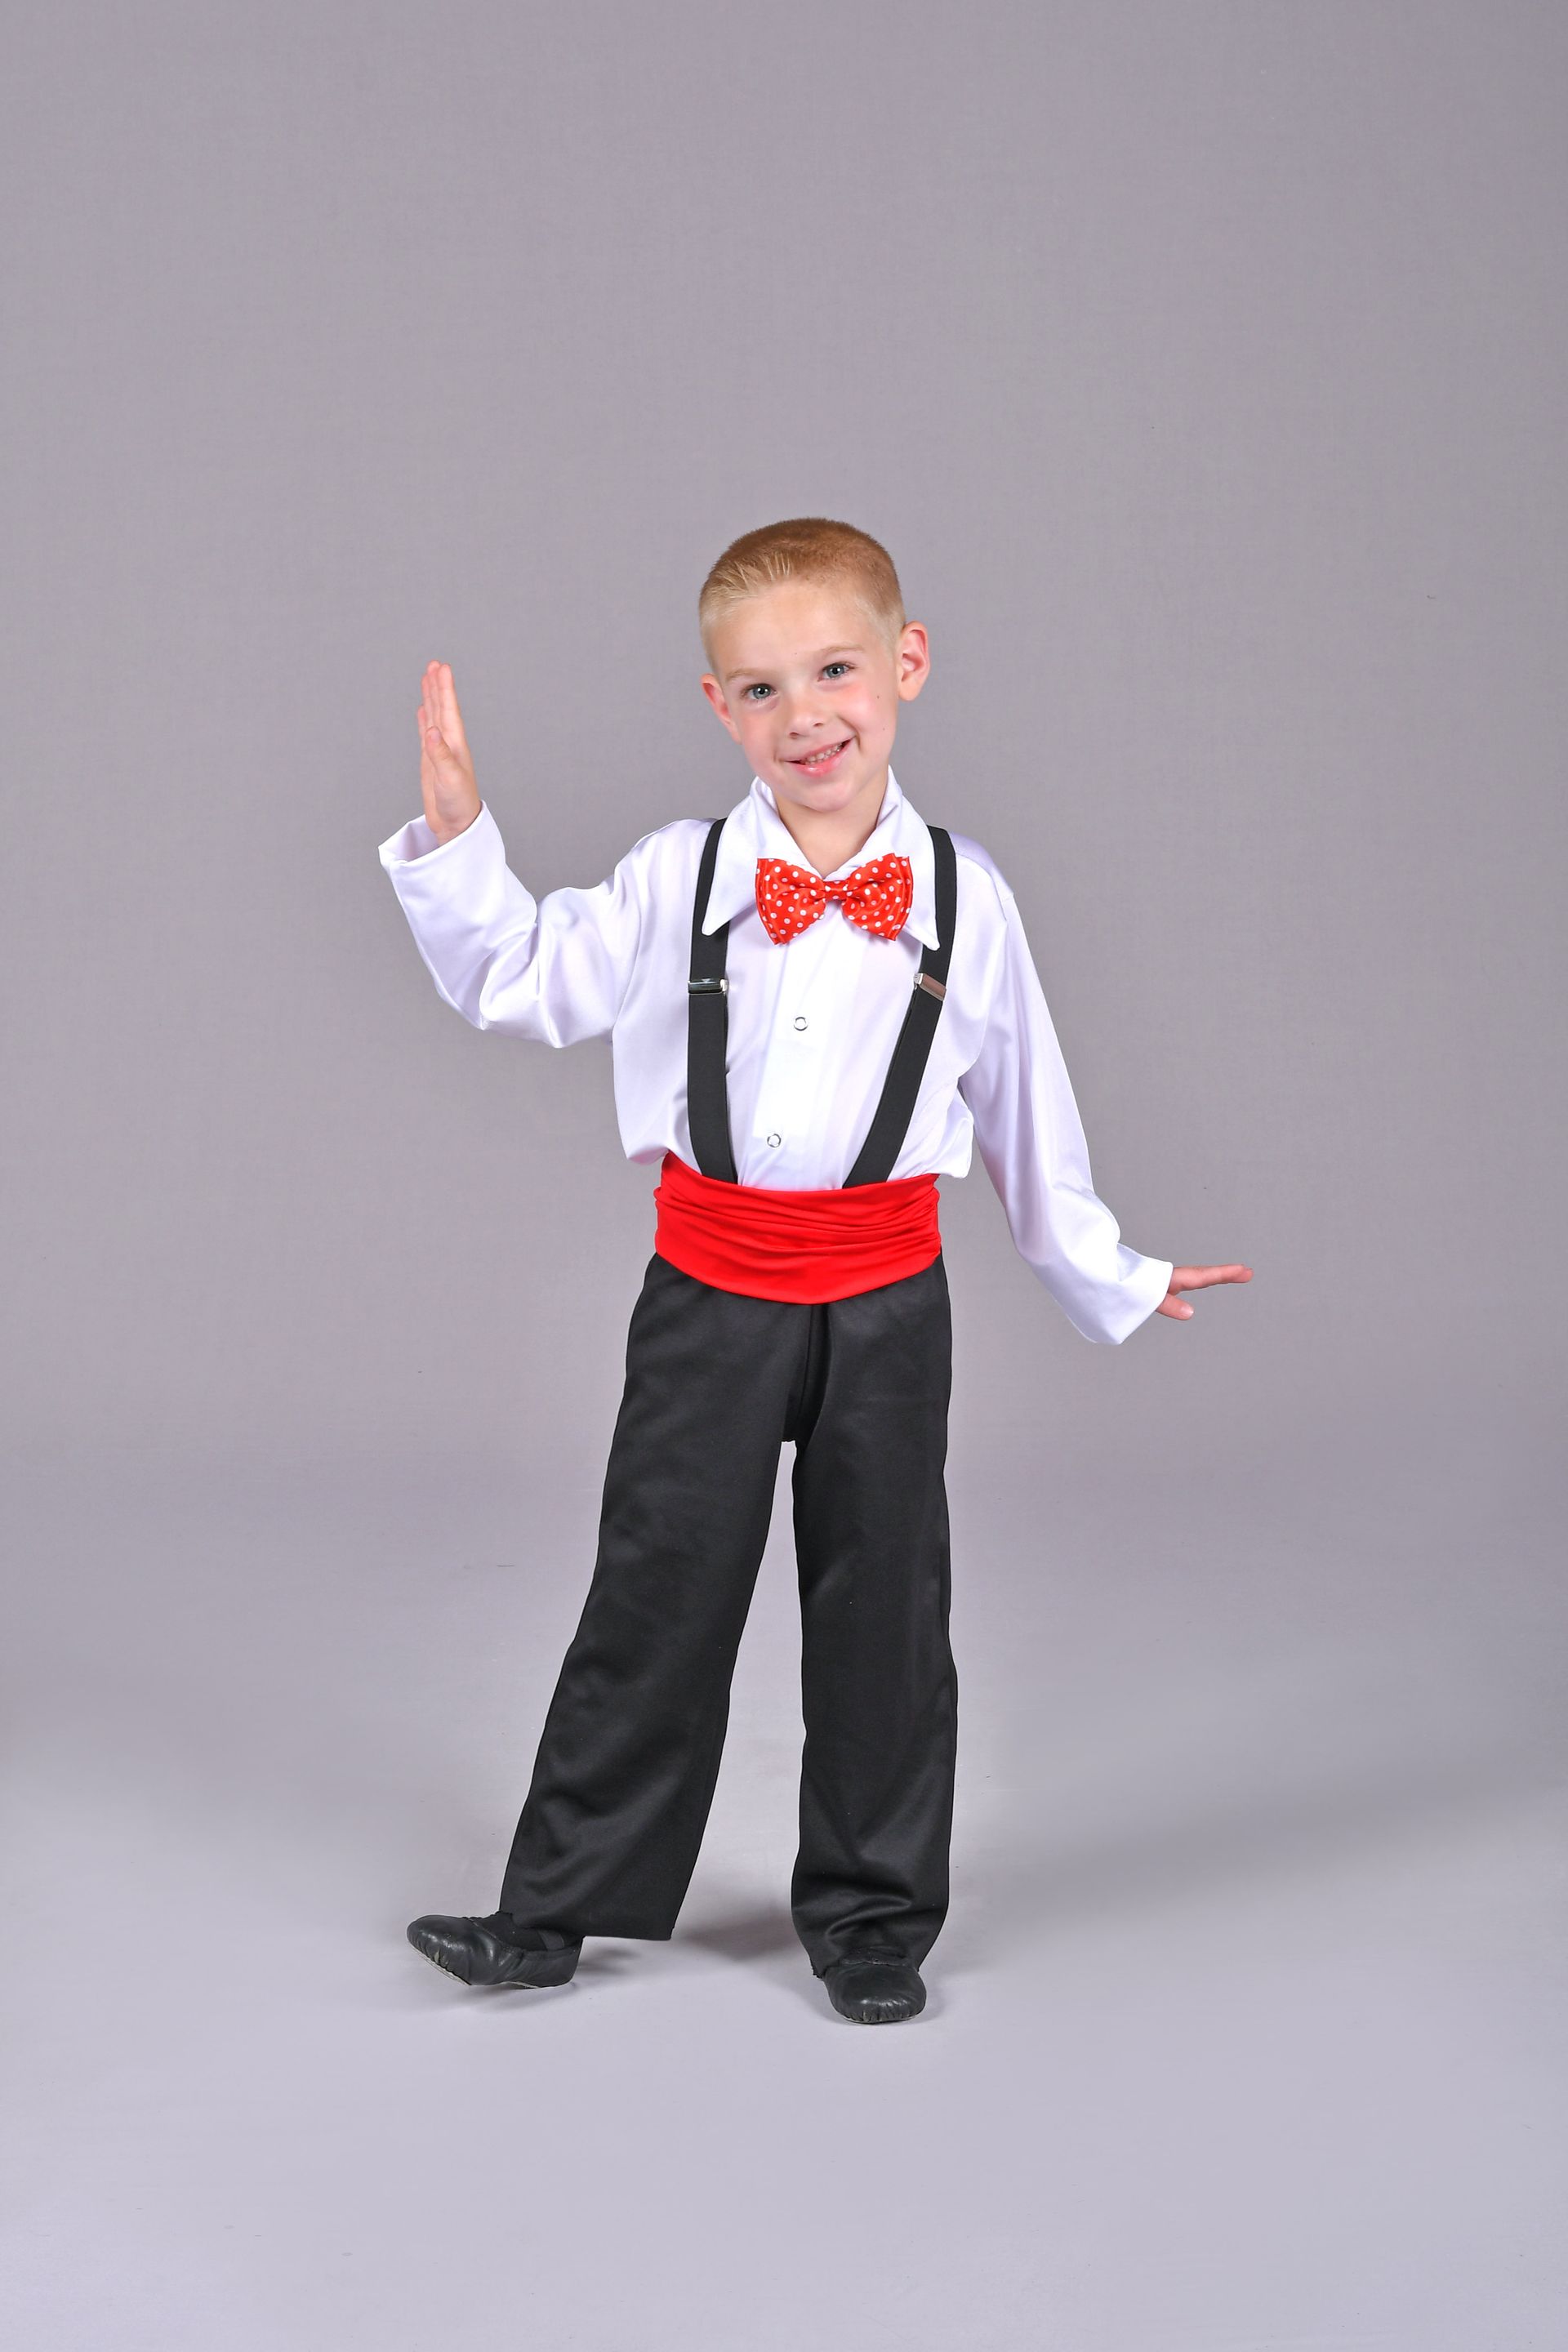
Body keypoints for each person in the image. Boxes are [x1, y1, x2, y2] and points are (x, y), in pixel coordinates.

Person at [378, 516, 1251, 2025]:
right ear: (720, 708)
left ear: (905, 665)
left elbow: (1028, 1107)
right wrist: (462, 838)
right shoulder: (678, 874)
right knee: (656, 1589)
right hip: (709, 1294)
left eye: (836, 670)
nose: (808, 717)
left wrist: (1111, 1268)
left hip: (888, 1304)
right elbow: (523, 978)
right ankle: (555, 1909)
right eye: (764, 689)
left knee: (884, 1609)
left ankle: (872, 1921)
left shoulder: (968, 899)